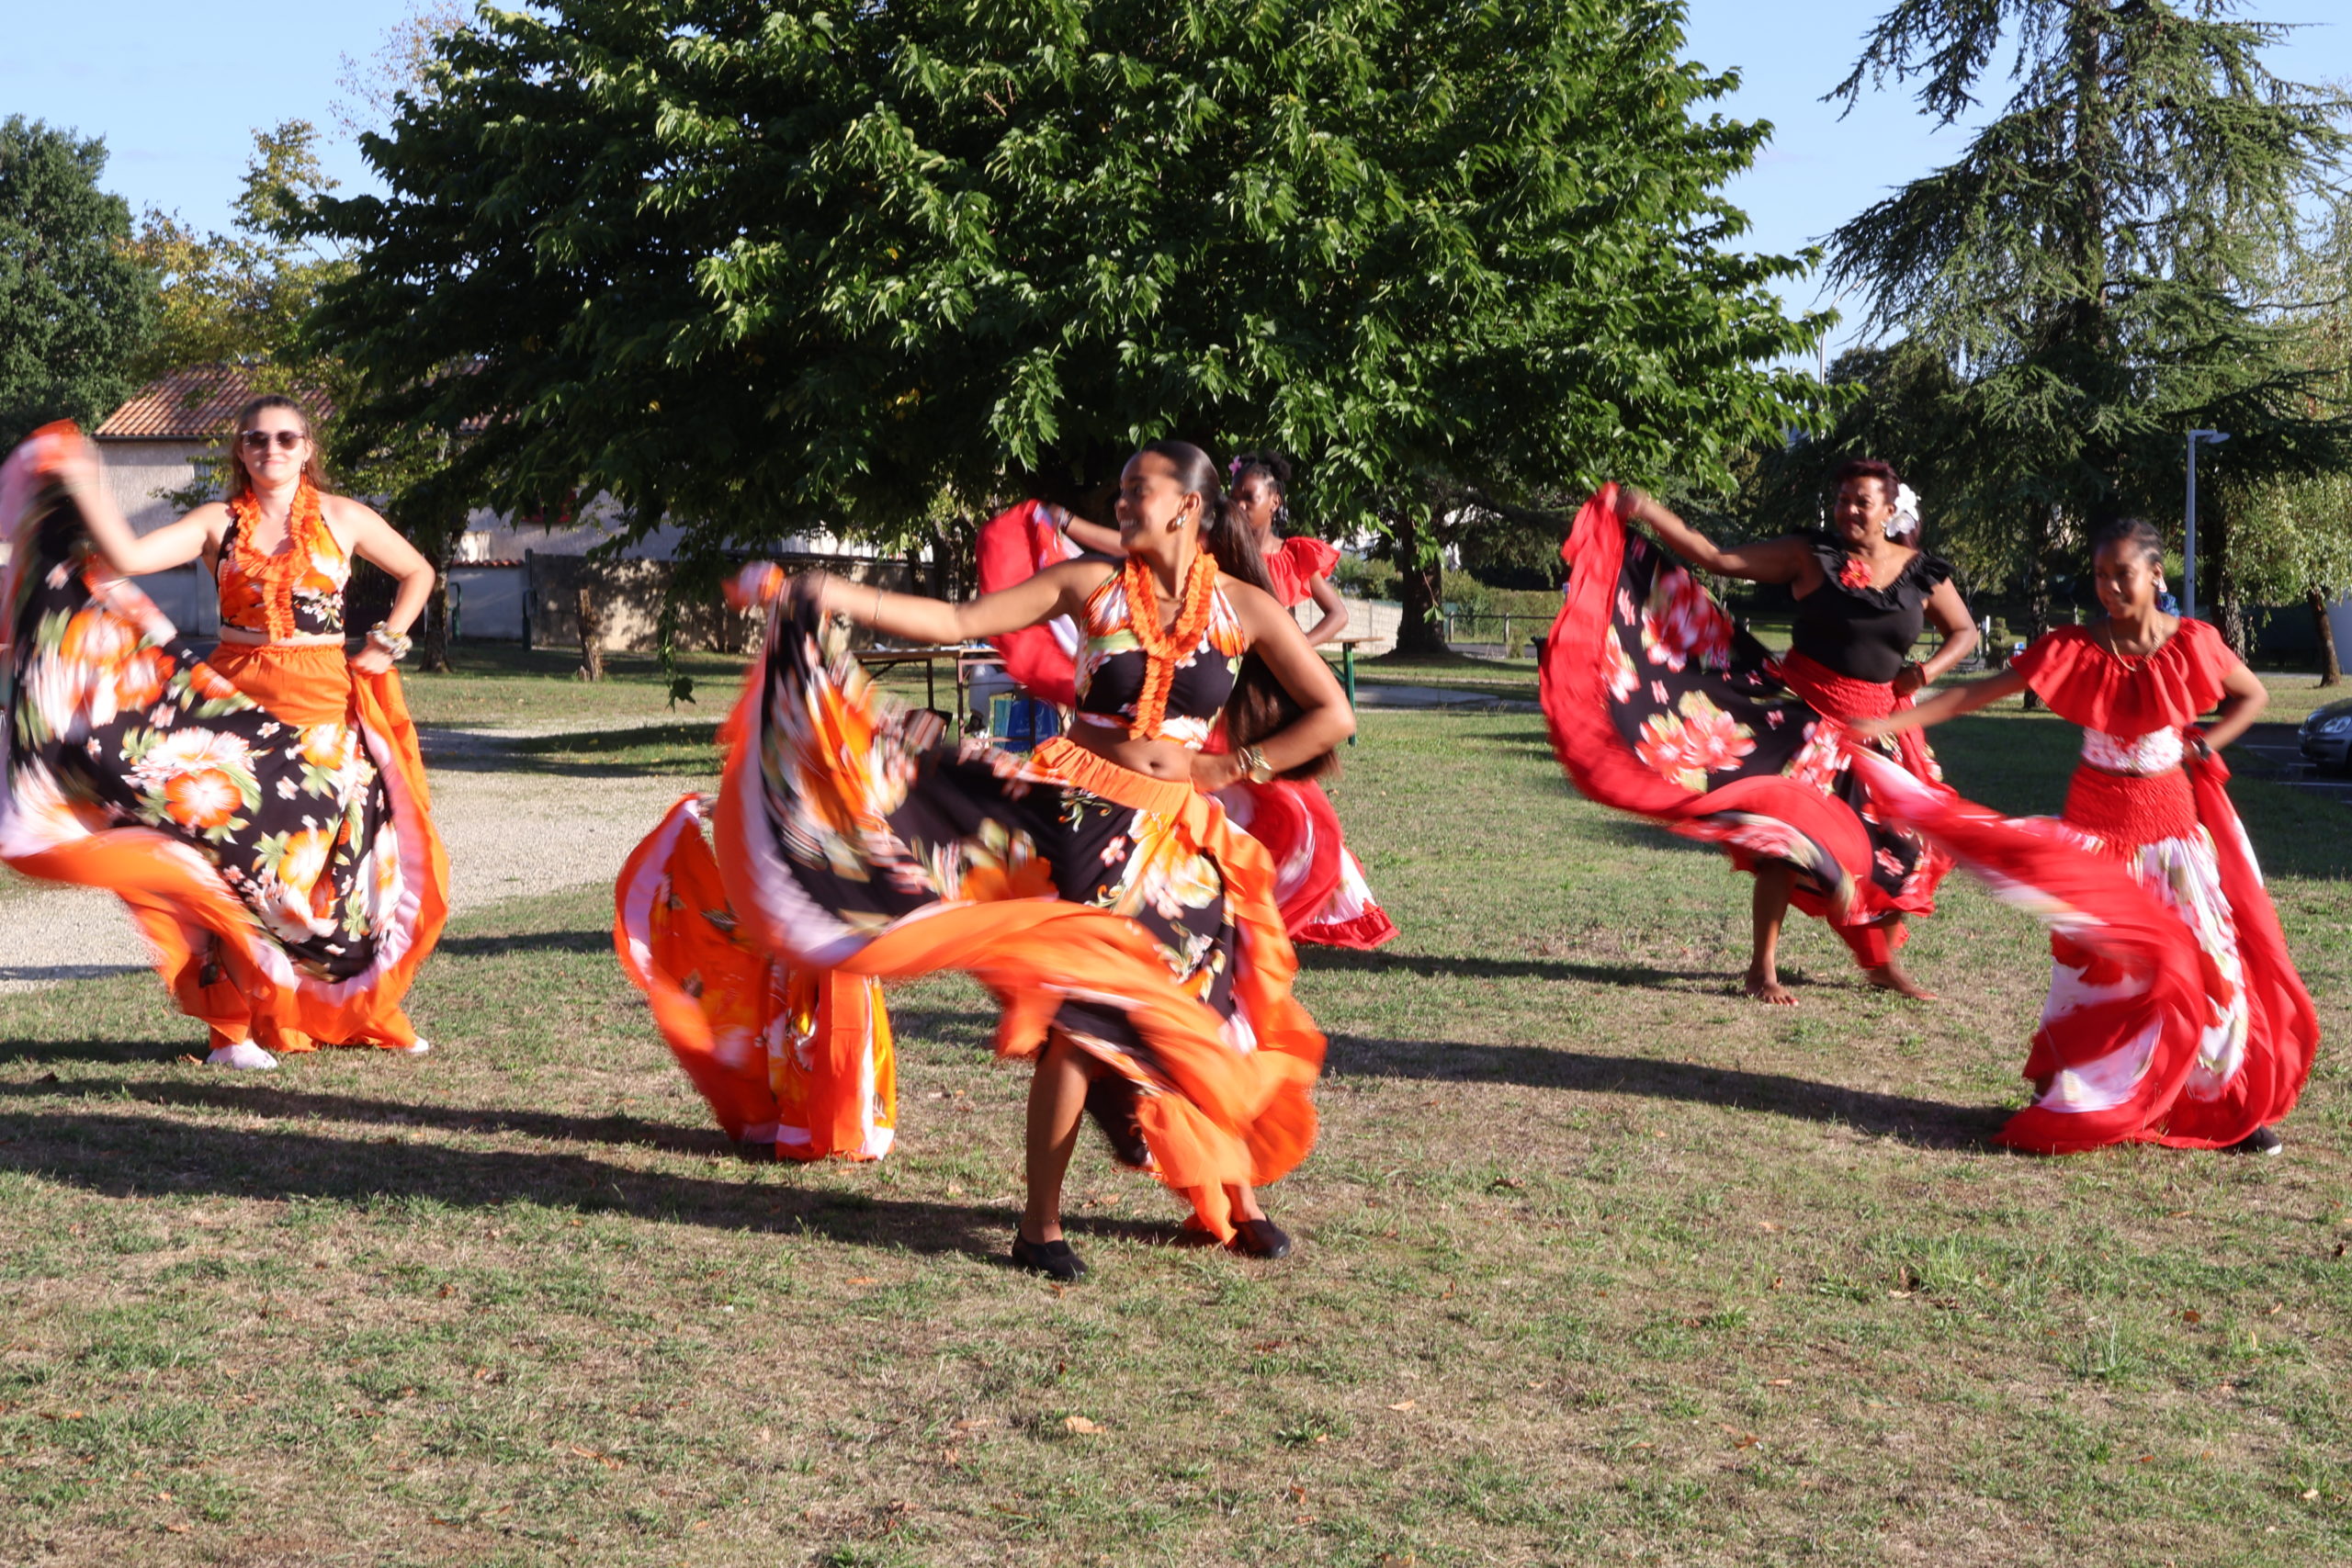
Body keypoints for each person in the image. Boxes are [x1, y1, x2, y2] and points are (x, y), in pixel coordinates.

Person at [625, 441, 1351, 1279]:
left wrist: (1232, 767)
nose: (1120, 502)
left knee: (1209, 1018)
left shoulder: (1242, 607)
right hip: (1082, 825)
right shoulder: (1091, 584)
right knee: (1085, 1021)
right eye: (1118, 490)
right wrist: (830, 593)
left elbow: (1328, 711)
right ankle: (1039, 1225)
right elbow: (959, 621)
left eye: (1137, 490)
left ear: (1188, 505)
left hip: (1180, 841)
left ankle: (1231, 1198)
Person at [1848, 518, 2316, 1155]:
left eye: (2122, 573)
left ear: (2156, 575)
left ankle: (2221, 1105)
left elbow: (2251, 694)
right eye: (2100, 574)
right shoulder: (2074, 647)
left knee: (2209, 964)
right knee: (2102, 974)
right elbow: (1973, 695)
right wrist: (1891, 719)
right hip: (2098, 833)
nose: (2109, 586)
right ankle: (2078, 1095)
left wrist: (2208, 741)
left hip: (2174, 832)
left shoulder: (2195, 643)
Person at [0, 412, 447, 1069]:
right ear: (240, 449)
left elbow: (419, 573)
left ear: (307, 449)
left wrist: (389, 639)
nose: (272, 448)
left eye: (286, 438)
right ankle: (229, 1032)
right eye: (257, 438)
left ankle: (358, 1009)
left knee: (342, 873)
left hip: (326, 707)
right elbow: (128, 558)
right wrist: (84, 478)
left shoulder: (344, 517)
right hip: (235, 711)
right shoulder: (218, 521)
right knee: (227, 865)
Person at [1542, 461, 1978, 1003]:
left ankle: (1882, 964)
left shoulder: (1921, 572)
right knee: (1785, 842)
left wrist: (1925, 672)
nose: (1847, 509)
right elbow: (1717, 559)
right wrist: (1650, 510)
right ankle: (1761, 970)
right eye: (1841, 498)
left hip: (1881, 728)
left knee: (1897, 849)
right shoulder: (1809, 555)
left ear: (1890, 511)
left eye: (1861, 500)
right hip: (1800, 719)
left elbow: (1965, 631)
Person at [978, 455, 1396, 948]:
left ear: (1273, 504)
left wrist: (1301, 647)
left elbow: (1337, 619)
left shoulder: (1283, 559)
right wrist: (1069, 526)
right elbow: (1123, 548)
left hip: (1226, 703)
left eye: (1251, 497)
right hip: (1181, 707)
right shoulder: (1185, 546)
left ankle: (1288, 902)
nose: (1241, 503)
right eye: (1237, 494)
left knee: (1288, 811)